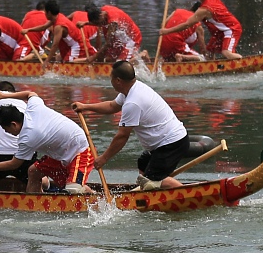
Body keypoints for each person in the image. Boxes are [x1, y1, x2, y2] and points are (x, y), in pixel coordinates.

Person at [74, 61, 189, 191]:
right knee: (143, 163)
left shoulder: (133, 102)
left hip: (172, 144)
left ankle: (190, 196)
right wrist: (85, 107)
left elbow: (122, 136)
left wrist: (103, 158)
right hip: (163, 144)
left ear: (118, 80)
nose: (110, 81)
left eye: (110, 78)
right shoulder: (132, 89)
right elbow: (112, 106)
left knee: (153, 181)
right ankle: (146, 193)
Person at [0, 90, 92, 194]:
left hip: (79, 150)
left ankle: (92, 196)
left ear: (14, 124)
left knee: (72, 190)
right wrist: (5, 96)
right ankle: (35, 206)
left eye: (6, 129)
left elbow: (14, 164)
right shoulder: (33, 108)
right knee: (34, 171)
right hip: (60, 153)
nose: (6, 132)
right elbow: (30, 94)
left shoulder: (28, 138)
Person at [160, 0, 243, 59]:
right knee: (210, 51)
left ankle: (243, 63)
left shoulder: (204, 10)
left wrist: (167, 31)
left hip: (231, 29)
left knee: (226, 53)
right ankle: (212, 70)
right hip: (219, 32)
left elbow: (187, 24)